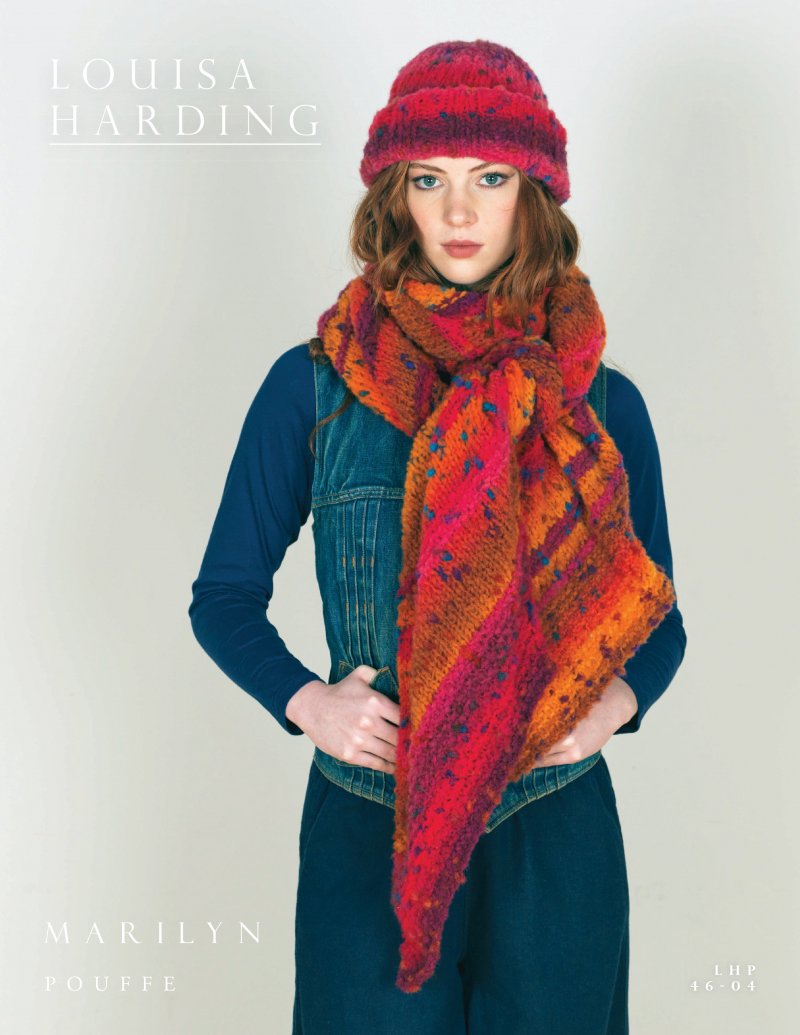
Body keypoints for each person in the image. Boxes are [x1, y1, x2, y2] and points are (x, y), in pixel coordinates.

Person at [189, 38, 687, 1035]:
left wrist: (608, 709)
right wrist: (307, 703)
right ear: (395, 195)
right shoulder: (315, 387)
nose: (459, 211)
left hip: (553, 824)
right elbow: (223, 596)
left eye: (489, 178)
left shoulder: (600, 403)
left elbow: (657, 624)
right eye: (429, 179)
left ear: (533, 194)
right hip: (370, 820)